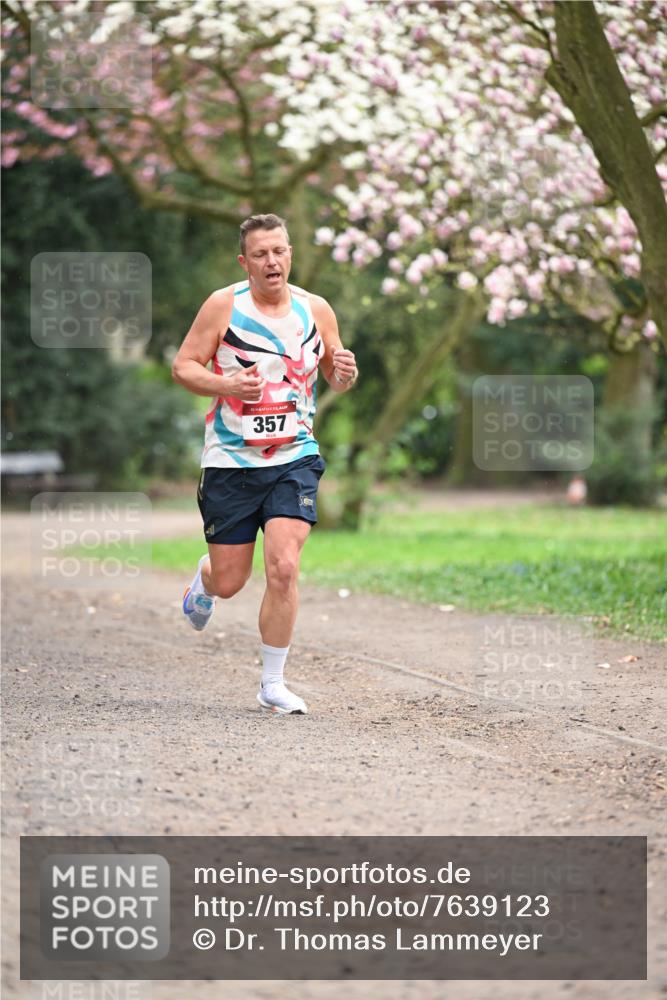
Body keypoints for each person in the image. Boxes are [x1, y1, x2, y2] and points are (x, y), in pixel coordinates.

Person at [172, 213, 357, 715]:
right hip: (231, 461)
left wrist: (345, 371)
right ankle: (206, 579)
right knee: (231, 581)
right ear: (245, 262)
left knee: (283, 567)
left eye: (279, 251)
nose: (271, 261)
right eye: (260, 254)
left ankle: (272, 683)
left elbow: (335, 375)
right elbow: (183, 366)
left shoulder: (315, 309)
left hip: (294, 457)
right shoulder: (223, 306)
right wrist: (227, 384)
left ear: (290, 254)